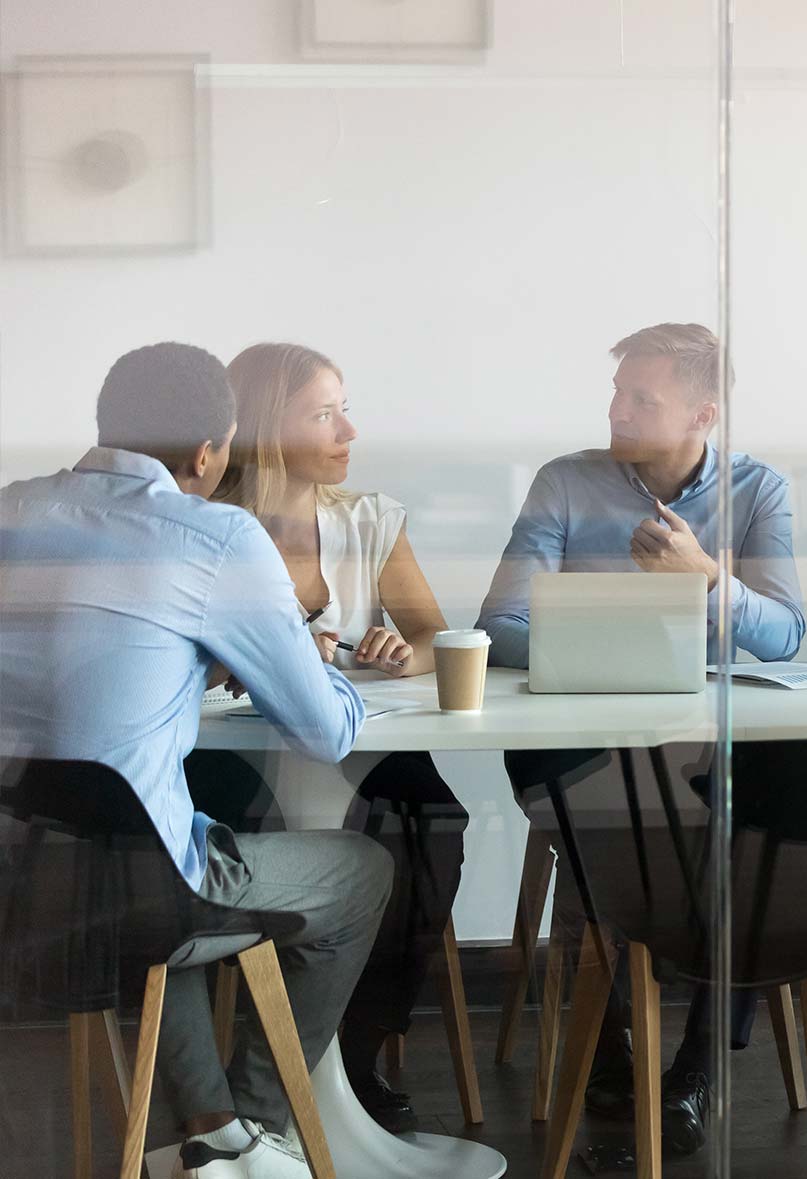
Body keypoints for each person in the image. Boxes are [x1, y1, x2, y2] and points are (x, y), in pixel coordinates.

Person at [0, 342, 389, 1179]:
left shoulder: (13, 509)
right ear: (210, 451)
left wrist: (187, 655)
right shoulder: (213, 535)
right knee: (358, 870)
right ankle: (256, 1129)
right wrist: (307, 660)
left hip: (20, 876)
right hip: (139, 891)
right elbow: (325, 734)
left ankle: (213, 1129)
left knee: (150, 851)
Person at [477, 322, 804, 1155]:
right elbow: (499, 624)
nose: (616, 408)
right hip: (579, 741)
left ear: (703, 412)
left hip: (699, 746)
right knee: (618, 819)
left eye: (640, 397)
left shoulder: (759, 491)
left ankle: (697, 1068)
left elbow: (785, 635)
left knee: (749, 828)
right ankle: (609, 1048)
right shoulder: (565, 482)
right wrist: (611, 631)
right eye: (618, 391)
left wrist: (703, 577)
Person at [209, 341, 466, 1133]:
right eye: (324, 414)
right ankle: (279, 1072)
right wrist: (262, 664)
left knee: (433, 829)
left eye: (343, 408)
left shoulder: (368, 520)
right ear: (262, 425)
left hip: (367, 745)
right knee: (312, 851)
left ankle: (350, 1055)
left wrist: (397, 651)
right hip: (237, 761)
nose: (348, 430)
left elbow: (433, 634)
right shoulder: (209, 530)